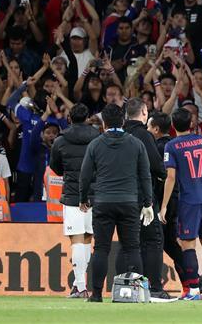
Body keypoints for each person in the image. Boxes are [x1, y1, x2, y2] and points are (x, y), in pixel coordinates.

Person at [79, 103, 154, 303]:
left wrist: (83, 198)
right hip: (129, 202)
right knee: (132, 248)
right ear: (123, 121)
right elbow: (145, 175)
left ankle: (96, 295)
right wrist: (148, 202)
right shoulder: (136, 144)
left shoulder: (95, 144)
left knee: (101, 249)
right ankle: (136, 294)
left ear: (104, 122)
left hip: (103, 202)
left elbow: (85, 175)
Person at [159, 108, 202, 301]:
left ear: (173, 125)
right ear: (191, 124)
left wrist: (164, 205)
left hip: (189, 200)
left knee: (188, 245)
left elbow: (171, 177)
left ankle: (194, 290)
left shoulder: (171, 146)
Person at [49, 103, 98, 298]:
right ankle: (81, 285)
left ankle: (80, 286)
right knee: (87, 238)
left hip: (72, 195)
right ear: (87, 118)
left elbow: (55, 168)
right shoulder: (97, 138)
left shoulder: (60, 140)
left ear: (69, 118)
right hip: (94, 194)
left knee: (76, 238)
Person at [123, 98, 169, 300]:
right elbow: (157, 166)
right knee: (153, 240)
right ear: (144, 112)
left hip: (120, 196)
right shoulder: (143, 135)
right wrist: (163, 176)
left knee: (129, 244)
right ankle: (155, 289)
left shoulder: (120, 133)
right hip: (143, 198)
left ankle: (127, 289)